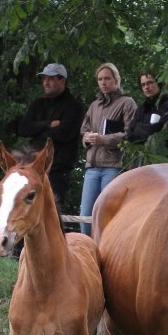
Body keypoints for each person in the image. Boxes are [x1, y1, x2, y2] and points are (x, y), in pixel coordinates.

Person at [17, 62, 86, 215]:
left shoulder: (74, 106)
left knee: (51, 213)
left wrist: (37, 131)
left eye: (51, 79)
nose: (46, 82)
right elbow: (22, 128)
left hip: (58, 169)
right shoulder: (38, 104)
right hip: (33, 168)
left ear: (62, 80)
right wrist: (48, 124)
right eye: (44, 79)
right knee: (26, 211)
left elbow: (64, 133)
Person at [78, 63, 137, 235]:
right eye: (100, 79)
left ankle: (107, 254)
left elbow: (130, 134)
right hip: (92, 167)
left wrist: (104, 139)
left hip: (114, 165)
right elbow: (83, 130)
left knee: (108, 214)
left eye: (107, 78)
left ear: (116, 80)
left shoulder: (127, 103)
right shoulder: (94, 106)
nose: (103, 82)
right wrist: (86, 138)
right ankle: (86, 254)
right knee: (85, 216)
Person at [125, 71, 168, 163]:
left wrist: (140, 127)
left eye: (150, 82)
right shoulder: (141, 108)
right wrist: (151, 129)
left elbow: (167, 133)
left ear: (159, 83)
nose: (146, 87)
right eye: (143, 84)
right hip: (144, 161)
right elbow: (130, 135)